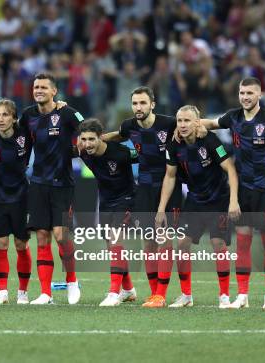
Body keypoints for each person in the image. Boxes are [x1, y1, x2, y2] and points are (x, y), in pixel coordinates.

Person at [0, 73, 84, 305]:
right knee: (42, 237)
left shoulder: (68, 113)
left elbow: (88, 128)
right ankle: (45, 293)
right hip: (39, 183)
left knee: (61, 236)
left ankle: (72, 282)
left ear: (54, 92)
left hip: (63, 184)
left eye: (43, 87)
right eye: (35, 87)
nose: (38, 90)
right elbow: (11, 130)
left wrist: (80, 145)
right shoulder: (28, 116)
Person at [196, 77, 265, 310]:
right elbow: (212, 123)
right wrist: (189, 124)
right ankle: (243, 295)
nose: (245, 97)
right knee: (243, 243)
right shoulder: (234, 117)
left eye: (250, 93)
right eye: (242, 93)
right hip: (244, 189)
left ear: (259, 95)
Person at [153, 105, 241, 308]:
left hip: (218, 199)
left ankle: (224, 296)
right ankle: (186, 295)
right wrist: (160, 209)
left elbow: (230, 169)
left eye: (187, 120)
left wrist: (233, 201)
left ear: (197, 122)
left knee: (218, 244)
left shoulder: (209, 140)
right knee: (182, 244)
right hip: (194, 200)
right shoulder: (174, 145)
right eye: (180, 121)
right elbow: (170, 175)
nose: (182, 125)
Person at [102, 86, 183, 304]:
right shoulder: (129, 126)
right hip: (144, 189)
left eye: (143, 103)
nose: (138, 107)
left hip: (169, 186)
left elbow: (192, 124)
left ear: (152, 104)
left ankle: (161, 296)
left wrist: (201, 127)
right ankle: (154, 292)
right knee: (149, 242)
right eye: (135, 103)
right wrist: (97, 139)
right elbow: (118, 136)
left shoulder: (169, 123)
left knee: (164, 240)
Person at [77, 119, 139, 306]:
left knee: (115, 240)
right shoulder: (82, 151)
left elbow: (148, 154)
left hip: (127, 199)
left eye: (92, 139)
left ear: (100, 138)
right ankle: (128, 289)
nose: (87, 144)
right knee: (110, 246)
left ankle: (114, 293)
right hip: (105, 201)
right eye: (84, 139)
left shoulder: (120, 153)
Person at [0, 99, 32, 304]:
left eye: (5, 115)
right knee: (0, 244)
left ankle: (23, 292)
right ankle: (2, 292)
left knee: (21, 244)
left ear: (14, 118)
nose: (0, 119)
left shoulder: (25, 135)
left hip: (21, 197)